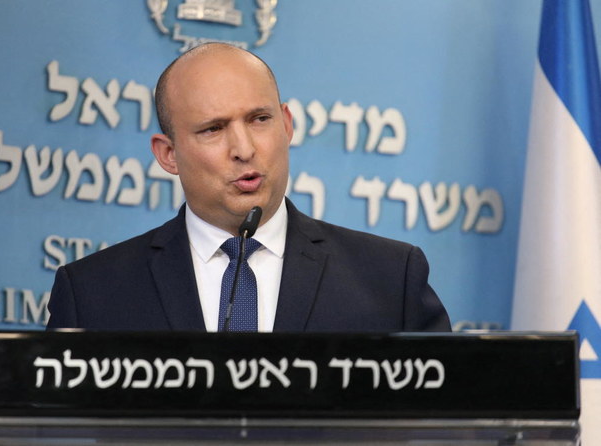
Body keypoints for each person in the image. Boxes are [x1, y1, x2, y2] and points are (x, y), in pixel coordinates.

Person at [46, 43, 450, 332]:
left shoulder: (390, 278)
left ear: (287, 124)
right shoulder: (92, 293)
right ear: (168, 154)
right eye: (213, 129)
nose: (243, 149)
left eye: (259, 119)